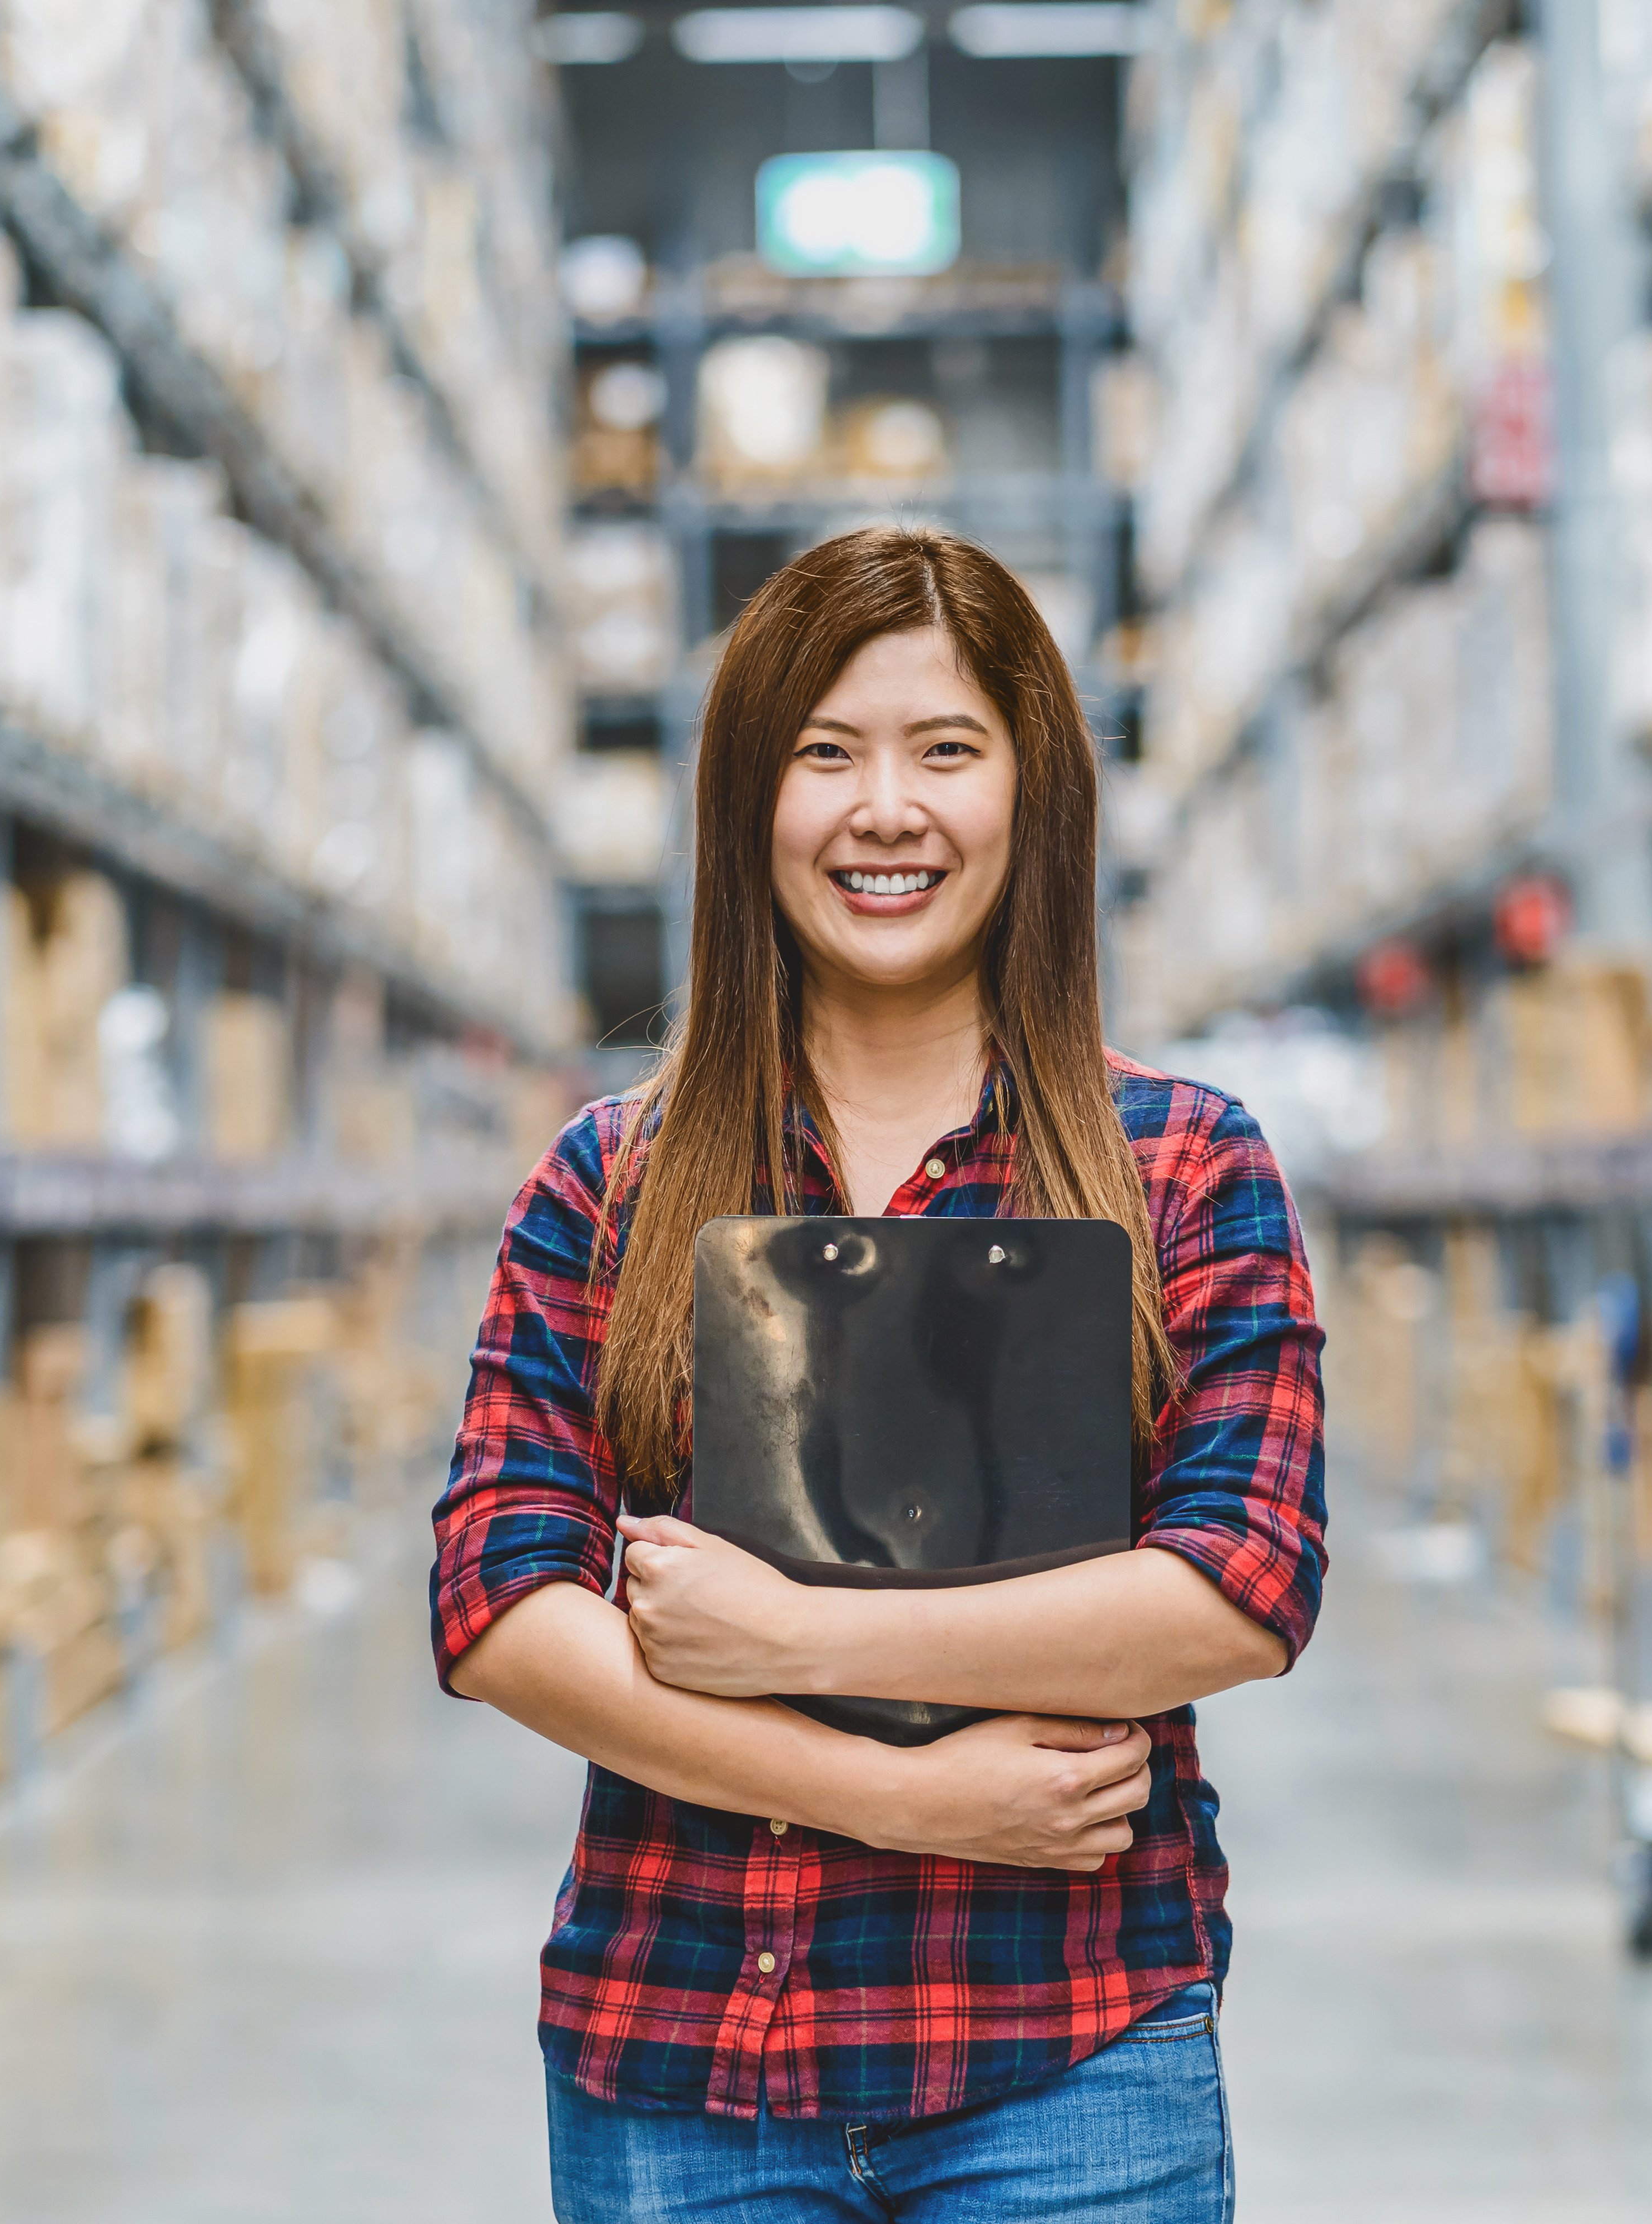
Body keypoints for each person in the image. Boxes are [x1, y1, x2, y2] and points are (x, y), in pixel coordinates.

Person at [431, 524, 1326, 2221]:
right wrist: (914, 1794)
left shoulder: (1185, 1165)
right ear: (745, 803)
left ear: (1031, 795)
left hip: (1065, 2055)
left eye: (946, 751)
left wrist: (791, 1638)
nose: (886, 810)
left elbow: (1241, 1587)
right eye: (824, 754)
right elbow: (494, 1606)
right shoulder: (605, 1181)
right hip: (683, 2058)